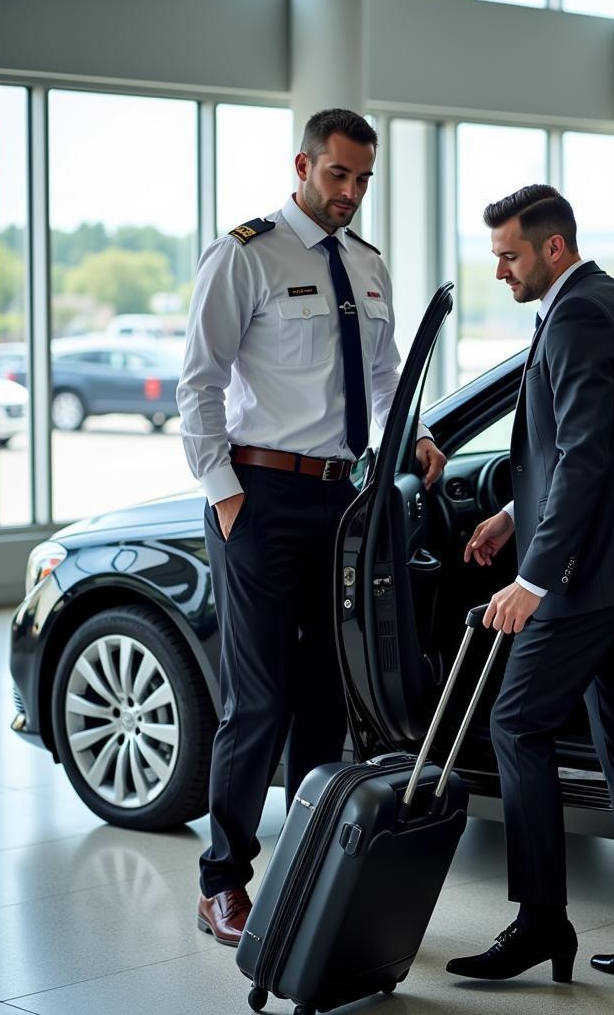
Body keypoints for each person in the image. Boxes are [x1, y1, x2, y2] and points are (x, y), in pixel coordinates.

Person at [177, 108, 446, 947]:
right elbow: (198, 382)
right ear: (304, 166)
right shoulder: (246, 253)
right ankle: (223, 879)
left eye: (364, 180)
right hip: (257, 496)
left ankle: (305, 868)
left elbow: (381, 368)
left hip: (340, 500)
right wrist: (224, 495)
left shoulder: (366, 265)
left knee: (329, 692)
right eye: (339, 176)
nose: (352, 194)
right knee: (258, 698)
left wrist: (418, 430)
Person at [447, 185, 614, 987]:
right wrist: (515, 514)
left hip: (586, 578)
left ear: (553, 248)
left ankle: (540, 922)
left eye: (509, 256)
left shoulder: (578, 316)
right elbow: (604, 446)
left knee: (518, 726)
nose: (500, 271)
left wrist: (533, 579)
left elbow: (586, 455)